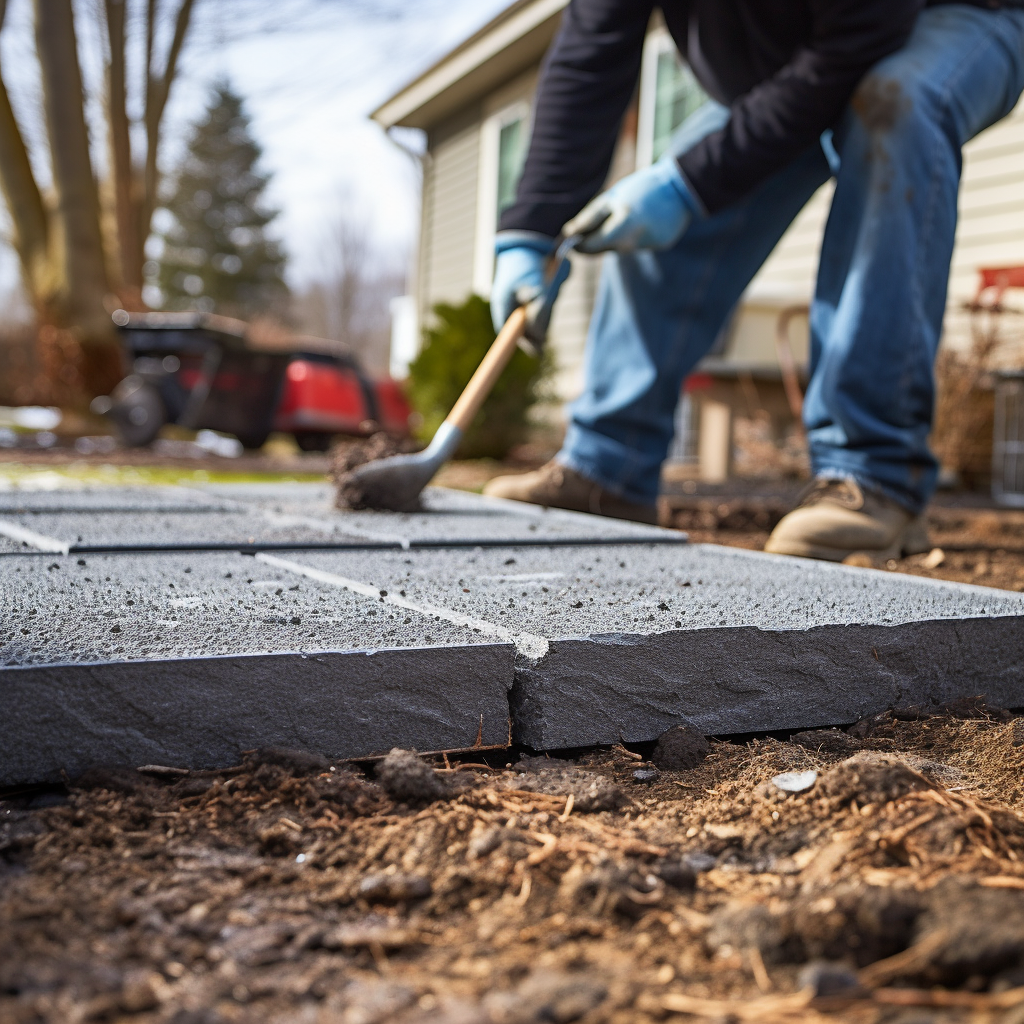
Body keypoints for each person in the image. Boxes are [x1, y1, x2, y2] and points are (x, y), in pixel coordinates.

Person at [484, 0, 1024, 562]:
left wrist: (689, 184)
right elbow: (589, 57)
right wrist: (530, 230)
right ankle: (607, 470)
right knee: (653, 223)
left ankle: (872, 477)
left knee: (896, 103)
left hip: (956, 15)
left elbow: (862, 35)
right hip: (794, 67)